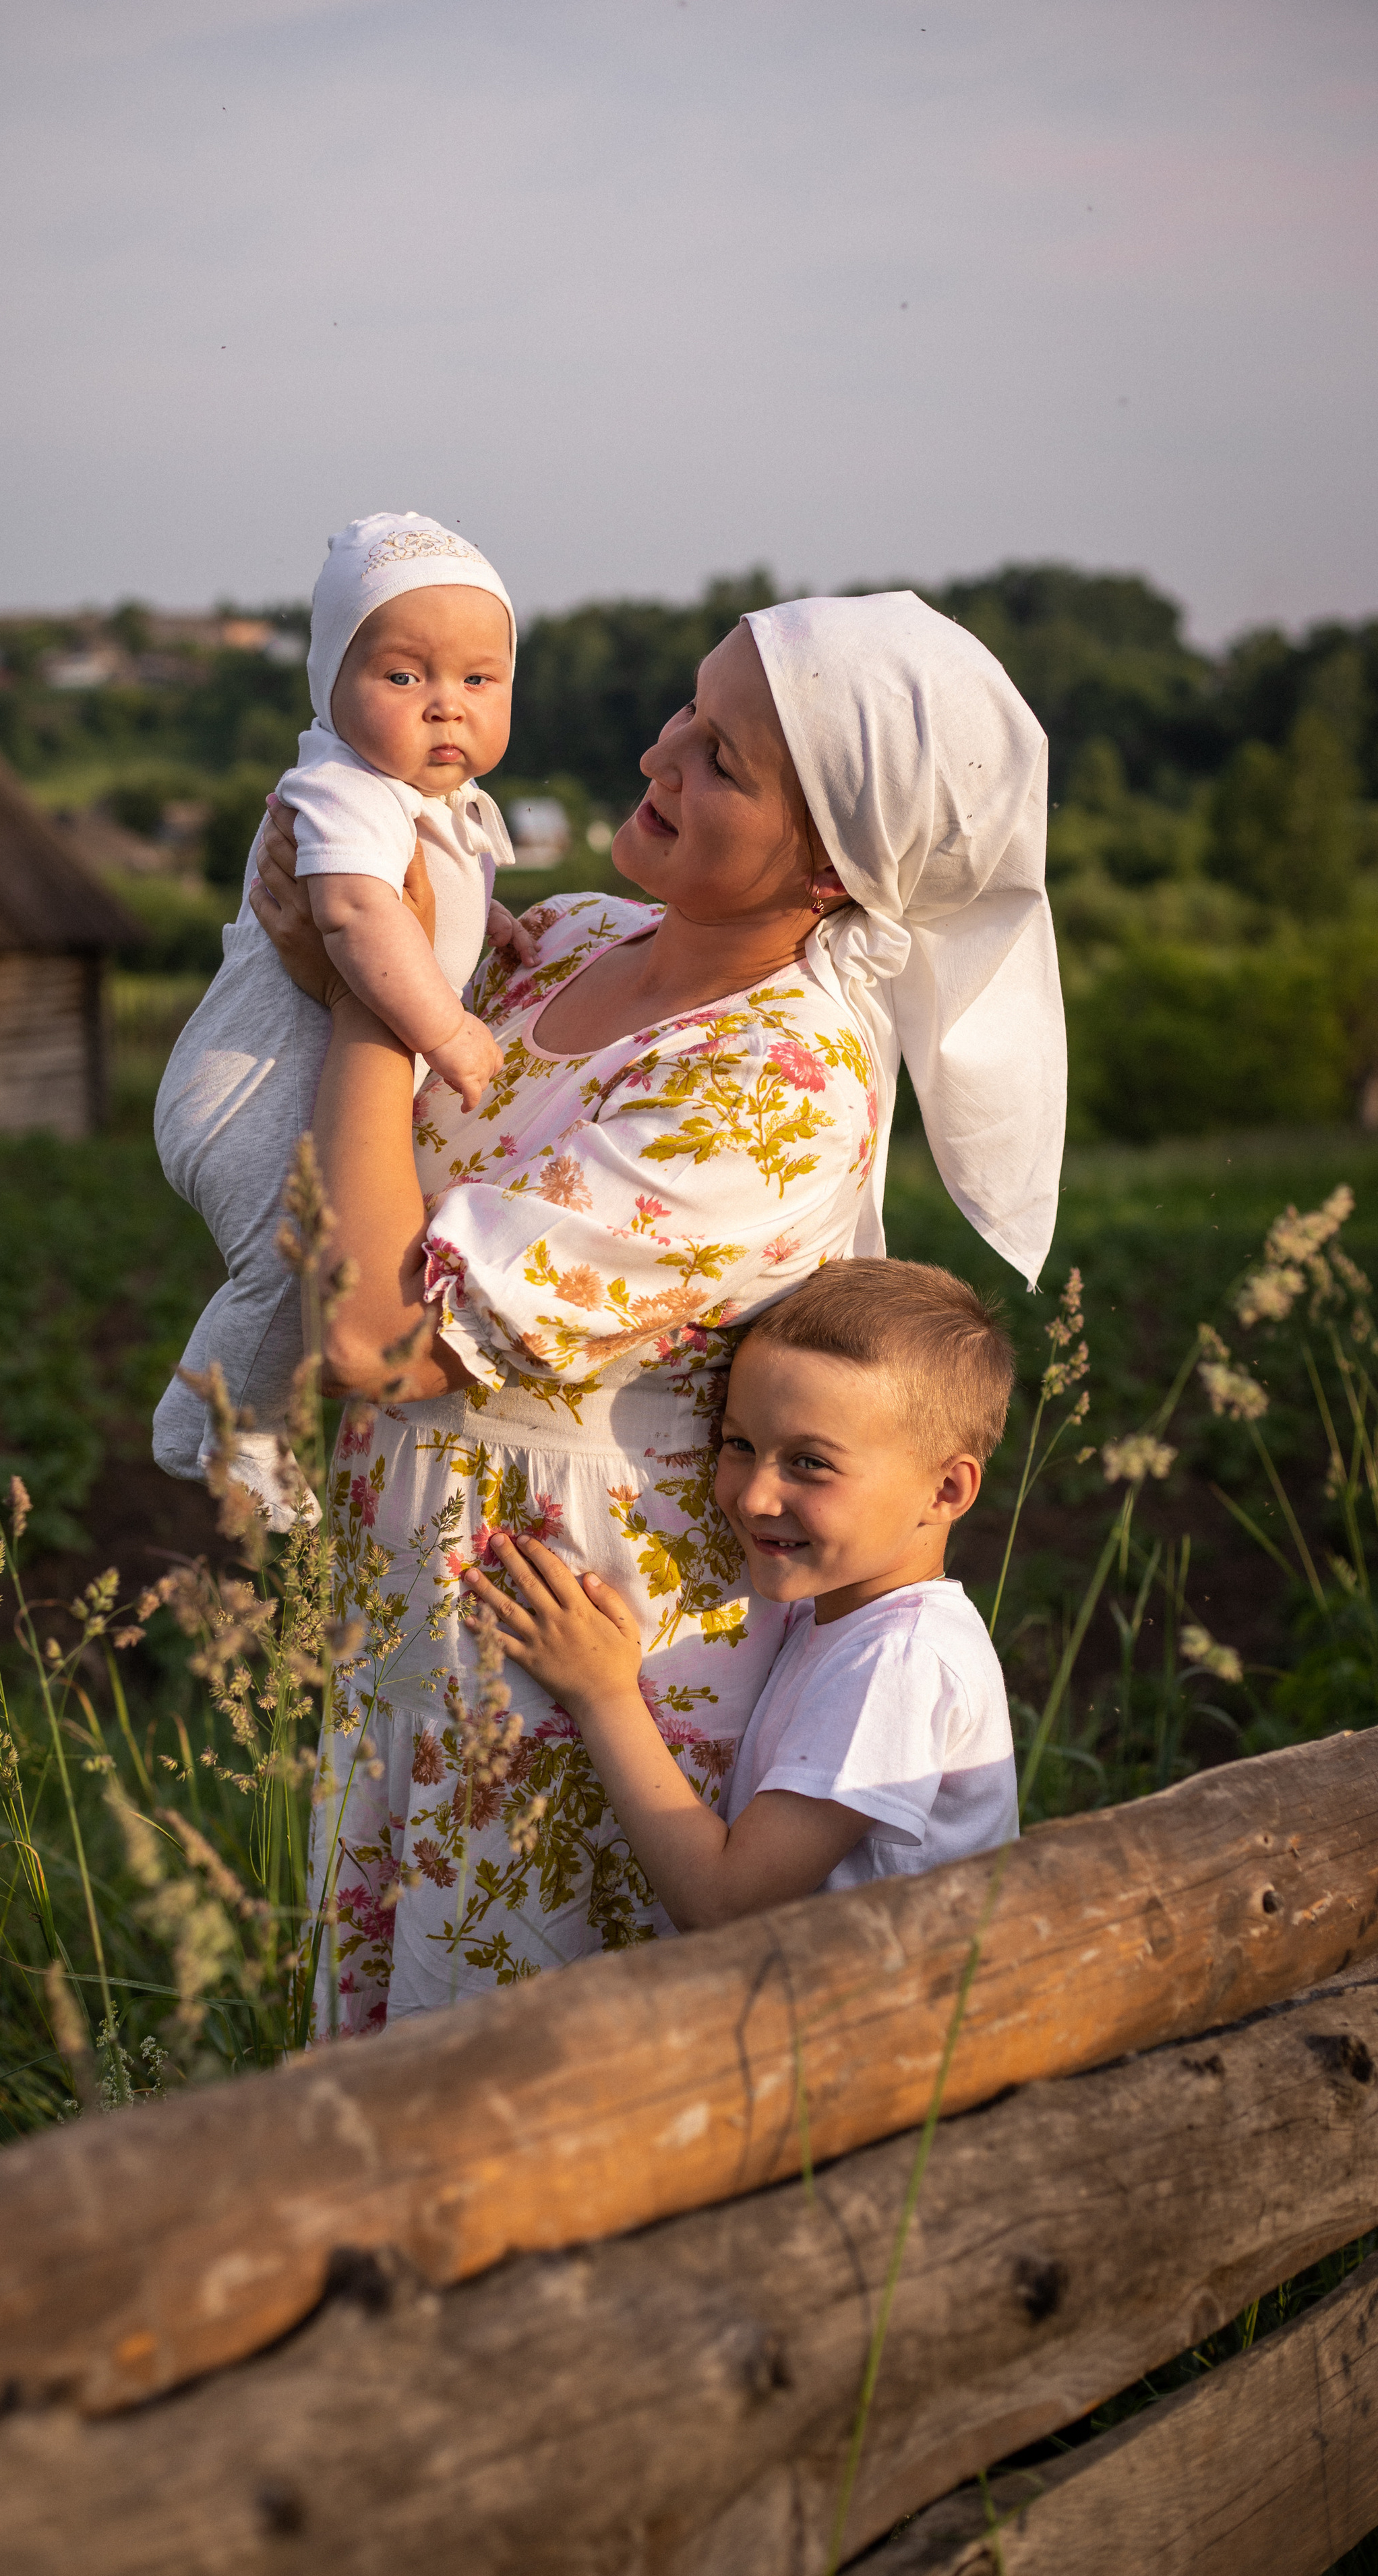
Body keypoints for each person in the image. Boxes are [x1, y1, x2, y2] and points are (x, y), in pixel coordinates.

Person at [230, 588, 1066, 2030]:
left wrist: (376, 998)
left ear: (834, 870)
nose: (654, 759)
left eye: (721, 761)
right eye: (685, 711)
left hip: (579, 1631)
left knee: (526, 2070)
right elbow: (345, 964)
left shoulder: (771, 1088)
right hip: (426, 1593)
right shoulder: (564, 938)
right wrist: (338, 919)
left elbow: (376, 1339)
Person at [152, 510, 531, 1504]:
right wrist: (445, 1029)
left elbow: (426, 901)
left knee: (303, 1260)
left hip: (294, 1082)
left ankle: (253, 1433)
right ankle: (218, 1435)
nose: (446, 707)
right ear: (331, 686)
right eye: (406, 678)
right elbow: (363, 912)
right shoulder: (343, 787)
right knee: (289, 1262)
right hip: (249, 1088)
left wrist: (489, 922)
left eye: (478, 681)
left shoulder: (417, 800)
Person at [462, 1258, 1019, 1929]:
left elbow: (725, 1903)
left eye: (810, 1464)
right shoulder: (838, 1621)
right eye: (739, 1445)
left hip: (888, 2027)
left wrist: (601, 1694)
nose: (754, 1497)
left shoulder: (898, 1661)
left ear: (945, 1490)